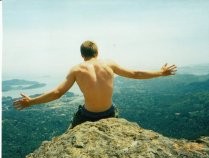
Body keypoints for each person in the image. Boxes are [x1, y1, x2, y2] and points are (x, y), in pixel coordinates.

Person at [13, 40, 177, 128]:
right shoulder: (109, 64)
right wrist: (161, 73)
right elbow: (135, 74)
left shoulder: (76, 69)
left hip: (87, 116)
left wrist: (31, 101)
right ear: (97, 52)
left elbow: (57, 93)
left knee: (70, 133)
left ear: (82, 55)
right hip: (109, 113)